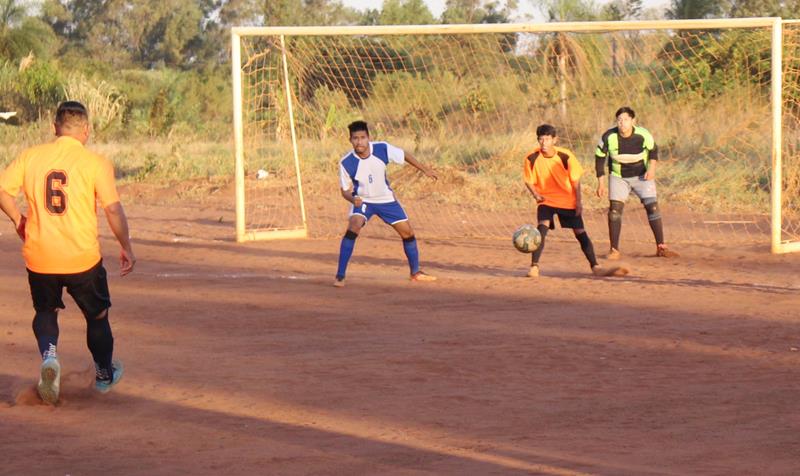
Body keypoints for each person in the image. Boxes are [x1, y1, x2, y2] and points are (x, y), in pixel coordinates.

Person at [0, 101, 135, 405]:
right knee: (97, 315)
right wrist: (125, 245)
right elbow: (113, 209)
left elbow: (2, 190)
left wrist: (18, 220)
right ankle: (103, 374)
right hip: (82, 258)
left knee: (46, 312)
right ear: (86, 131)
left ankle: (49, 358)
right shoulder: (95, 163)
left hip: (40, 255)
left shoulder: (30, 156)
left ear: (54, 128)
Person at [334, 120, 438, 287]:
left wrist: (424, 169)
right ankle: (340, 276)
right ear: (350, 140)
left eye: (362, 137)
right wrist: (353, 199)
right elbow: (344, 190)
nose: (359, 142)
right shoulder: (346, 162)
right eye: (355, 138)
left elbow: (404, 155)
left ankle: (415, 272)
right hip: (363, 201)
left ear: (368, 138)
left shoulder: (382, 148)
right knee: (354, 226)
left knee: (408, 233)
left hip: (386, 200)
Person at [523, 124, 628, 278]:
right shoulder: (531, 157)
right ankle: (534, 267)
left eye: (547, 139)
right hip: (546, 200)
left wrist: (579, 202)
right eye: (541, 139)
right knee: (541, 230)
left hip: (567, 200)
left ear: (554, 140)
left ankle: (595, 266)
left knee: (580, 233)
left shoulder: (565, 156)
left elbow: (575, 180)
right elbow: (529, 181)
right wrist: (536, 195)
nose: (544, 143)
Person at [595, 107, 679, 259]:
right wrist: (601, 183)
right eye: (619, 120)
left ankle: (661, 247)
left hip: (642, 175)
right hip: (618, 176)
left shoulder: (643, 134)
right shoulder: (608, 136)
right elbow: (599, 158)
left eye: (626, 120)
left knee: (652, 207)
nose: (622, 123)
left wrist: (652, 169)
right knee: (614, 211)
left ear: (633, 121)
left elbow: (654, 150)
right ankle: (614, 250)